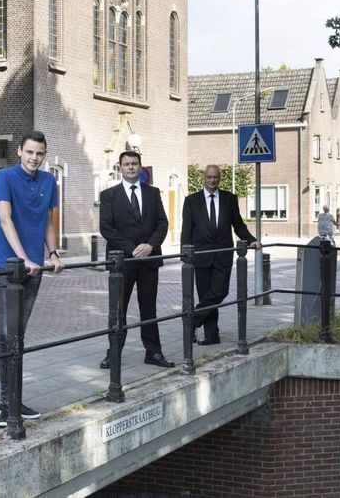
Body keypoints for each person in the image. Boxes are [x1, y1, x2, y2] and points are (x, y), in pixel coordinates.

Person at [0, 131, 64, 428]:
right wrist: (24, 260)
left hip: (35, 269)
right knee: (8, 333)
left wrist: (53, 253)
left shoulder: (49, 181)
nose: (34, 158)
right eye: (29, 152)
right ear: (19, 151)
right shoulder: (4, 178)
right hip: (8, 268)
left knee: (18, 332)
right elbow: (5, 220)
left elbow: (48, 221)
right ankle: (5, 404)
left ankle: (14, 399)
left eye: (40, 154)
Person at [97, 150, 173, 369]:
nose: (130, 167)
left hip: (149, 260)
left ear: (141, 167)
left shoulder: (153, 193)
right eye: (127, 164)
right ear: (120, 167)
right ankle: (114, 354)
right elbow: (106, 228)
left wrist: (150, 246)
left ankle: (153, 352)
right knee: (118, 309)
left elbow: (162, 224)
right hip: (122, 262)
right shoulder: (109, 195)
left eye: (134, 164)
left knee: (149, 308)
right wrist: (132, 250)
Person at [180, 164, 261, 345]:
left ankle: (191, 321)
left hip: (223, 254)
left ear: (220, 178)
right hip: (200, 256)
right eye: (209, 177)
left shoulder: (229, 199)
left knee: (219, 292)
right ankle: (211, 335)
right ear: (204, 178)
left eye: (215, 177)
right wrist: (184, 254)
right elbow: (187, 229)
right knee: (206, 295)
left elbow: (238, 224)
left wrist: (250, 239)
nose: (212, 180)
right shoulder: (191, 201)